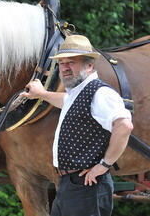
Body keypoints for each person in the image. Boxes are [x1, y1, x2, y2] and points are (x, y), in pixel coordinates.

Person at [21, 34, 134, 216]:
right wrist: (42, 94)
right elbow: (65, 100)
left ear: (89, 65)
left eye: (71, 62)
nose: (65, 68)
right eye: (62, 63)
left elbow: (125, 126)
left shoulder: (101, 93)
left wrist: (105, 165)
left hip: (87, 184)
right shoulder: (77, 92)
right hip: (71, 184)